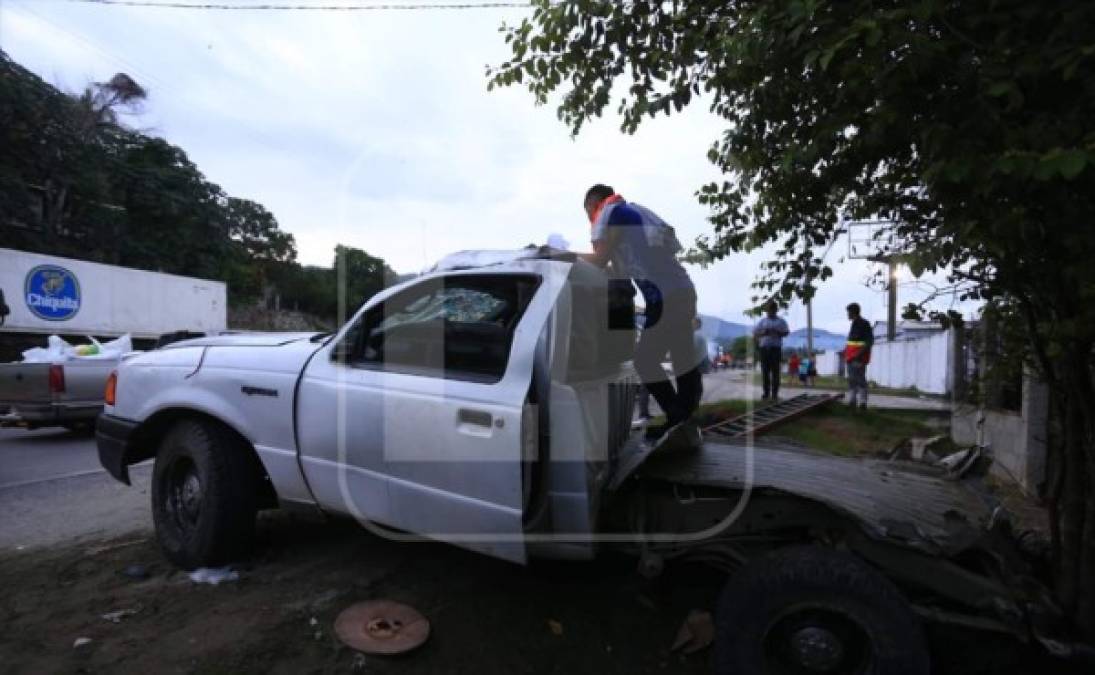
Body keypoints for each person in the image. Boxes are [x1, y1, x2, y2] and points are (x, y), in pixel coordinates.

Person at [580, 184, 702, 449]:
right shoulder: (632, 213)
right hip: (681, 292)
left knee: (645, 360)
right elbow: (620, 269)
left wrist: (556, 255)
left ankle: (677, 416)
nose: (590, 219)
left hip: (666, 297)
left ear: (594, 204)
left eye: (588, 211)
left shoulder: (612, 213)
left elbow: (600, 260)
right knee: (682, 358)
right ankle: (684, 420)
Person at [753, 301, 789, 400]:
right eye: (768, 310)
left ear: (776, 310)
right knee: (765, 372)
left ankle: (775, 394)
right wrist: (764, 332)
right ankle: (766, 393)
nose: (770, 312)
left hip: (775, 349)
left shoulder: (781, 321)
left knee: (775, 372)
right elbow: (755, 334)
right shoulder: (762, 321)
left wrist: (778, 333)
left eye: (772, 310)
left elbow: (786, 332)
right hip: (764, 349)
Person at [844, 303, 874, 408]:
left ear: (853, 312)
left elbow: (868, 342)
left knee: (860, 379)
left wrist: (858, 355)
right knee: (852, 379)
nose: (847, 314)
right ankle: (852, 400)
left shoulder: (864, 324)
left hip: (858, 357)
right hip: (851, 357)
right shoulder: (854, 324)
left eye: (848, 312)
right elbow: (853, 342)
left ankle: (862, 402)